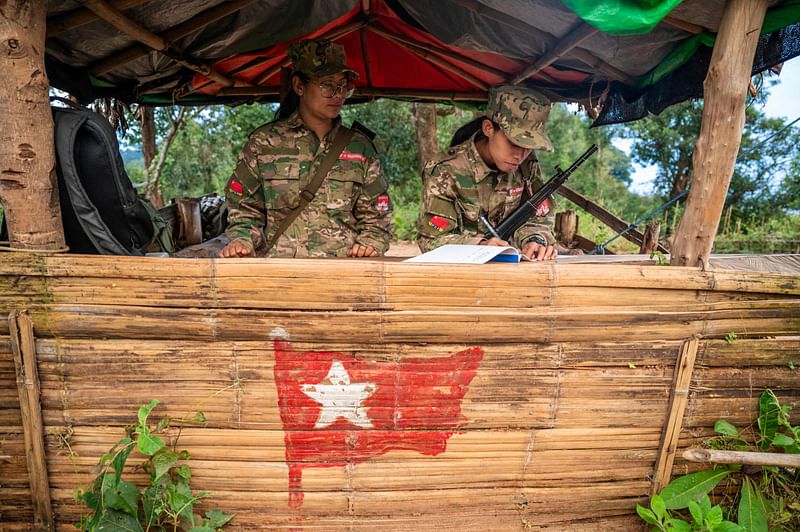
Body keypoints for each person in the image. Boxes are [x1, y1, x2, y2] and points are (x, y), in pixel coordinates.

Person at [219, 39, 392, 258]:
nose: (338, 94)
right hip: (281, 276)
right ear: (299, 86)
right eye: (328, 85)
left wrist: (370, 243)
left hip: (344, 275)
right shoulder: (264, 143)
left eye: (343, 86)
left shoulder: (359, 148)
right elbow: (243, 209)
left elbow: (377, 217)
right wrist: (242, 240)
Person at [417, 85, 558, 261]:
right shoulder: (446, 170)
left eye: (529, 147)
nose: (520, 155)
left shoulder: (527, 165)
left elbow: (539, 216)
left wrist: (535, 240)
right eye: (514, 143)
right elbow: (431, 240)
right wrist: (480, 245)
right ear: (488, 128)